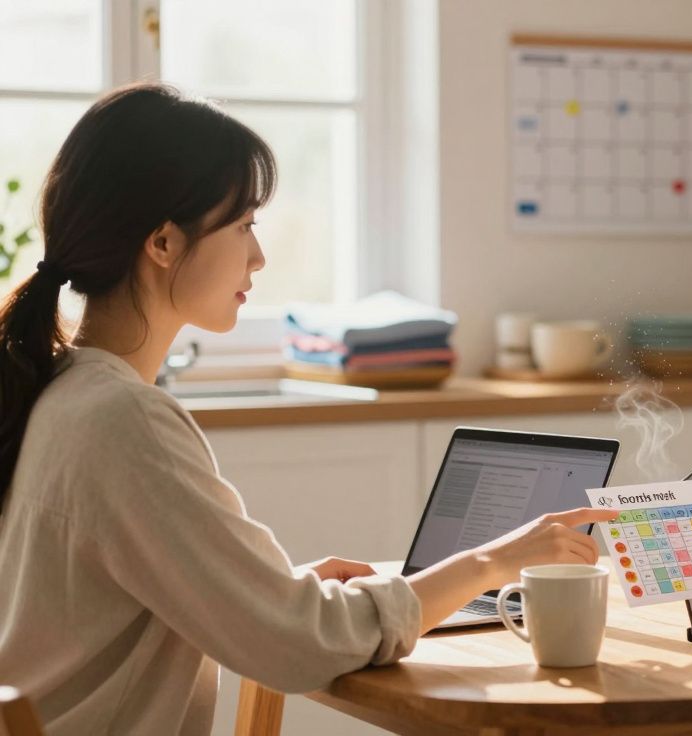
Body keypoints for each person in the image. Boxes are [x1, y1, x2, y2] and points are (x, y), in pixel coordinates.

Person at [0, 83, 617, 735]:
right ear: (163, 243)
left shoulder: (60, 390)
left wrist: (272, 593)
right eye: (244, 226)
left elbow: (108, 599)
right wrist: (492, 562)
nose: (258, 256)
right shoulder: (124, 422)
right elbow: (301, 646)